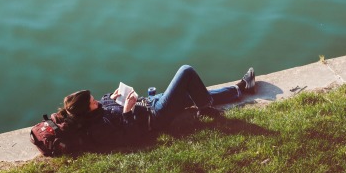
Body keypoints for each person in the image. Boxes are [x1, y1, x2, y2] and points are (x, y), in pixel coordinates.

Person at [50, 65, 255, 152]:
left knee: (192, 92)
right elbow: (130, 137)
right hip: (155, 116)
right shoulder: (98, 129)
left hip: (148, 104)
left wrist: (110, 98)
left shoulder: (94, 113)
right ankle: (207, 108)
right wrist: (128, 111)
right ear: (86, 111)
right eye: (93, 102)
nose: (97, 101)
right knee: (186, 72)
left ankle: (239, 88)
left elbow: (105, 107)